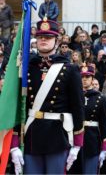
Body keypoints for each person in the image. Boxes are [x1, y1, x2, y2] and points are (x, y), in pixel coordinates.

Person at [10, 19, 84, 174]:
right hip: (32, 135)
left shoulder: (69, 69)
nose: (43, 40)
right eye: (40, 37)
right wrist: (14, 143)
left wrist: (77, 144)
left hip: (57, 136)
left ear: (56, 41)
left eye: (48, 37)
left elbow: (77, 106)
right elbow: (17, 106)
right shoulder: (26, 68)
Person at [69, 64, 106, 174]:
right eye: (82, 77)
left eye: (87, 77)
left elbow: (104, 124)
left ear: (92, 79)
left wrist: (104, 148)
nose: (84, 80)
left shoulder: (100, 98)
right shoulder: (73, 96)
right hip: (73, 138)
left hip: (91, 140)